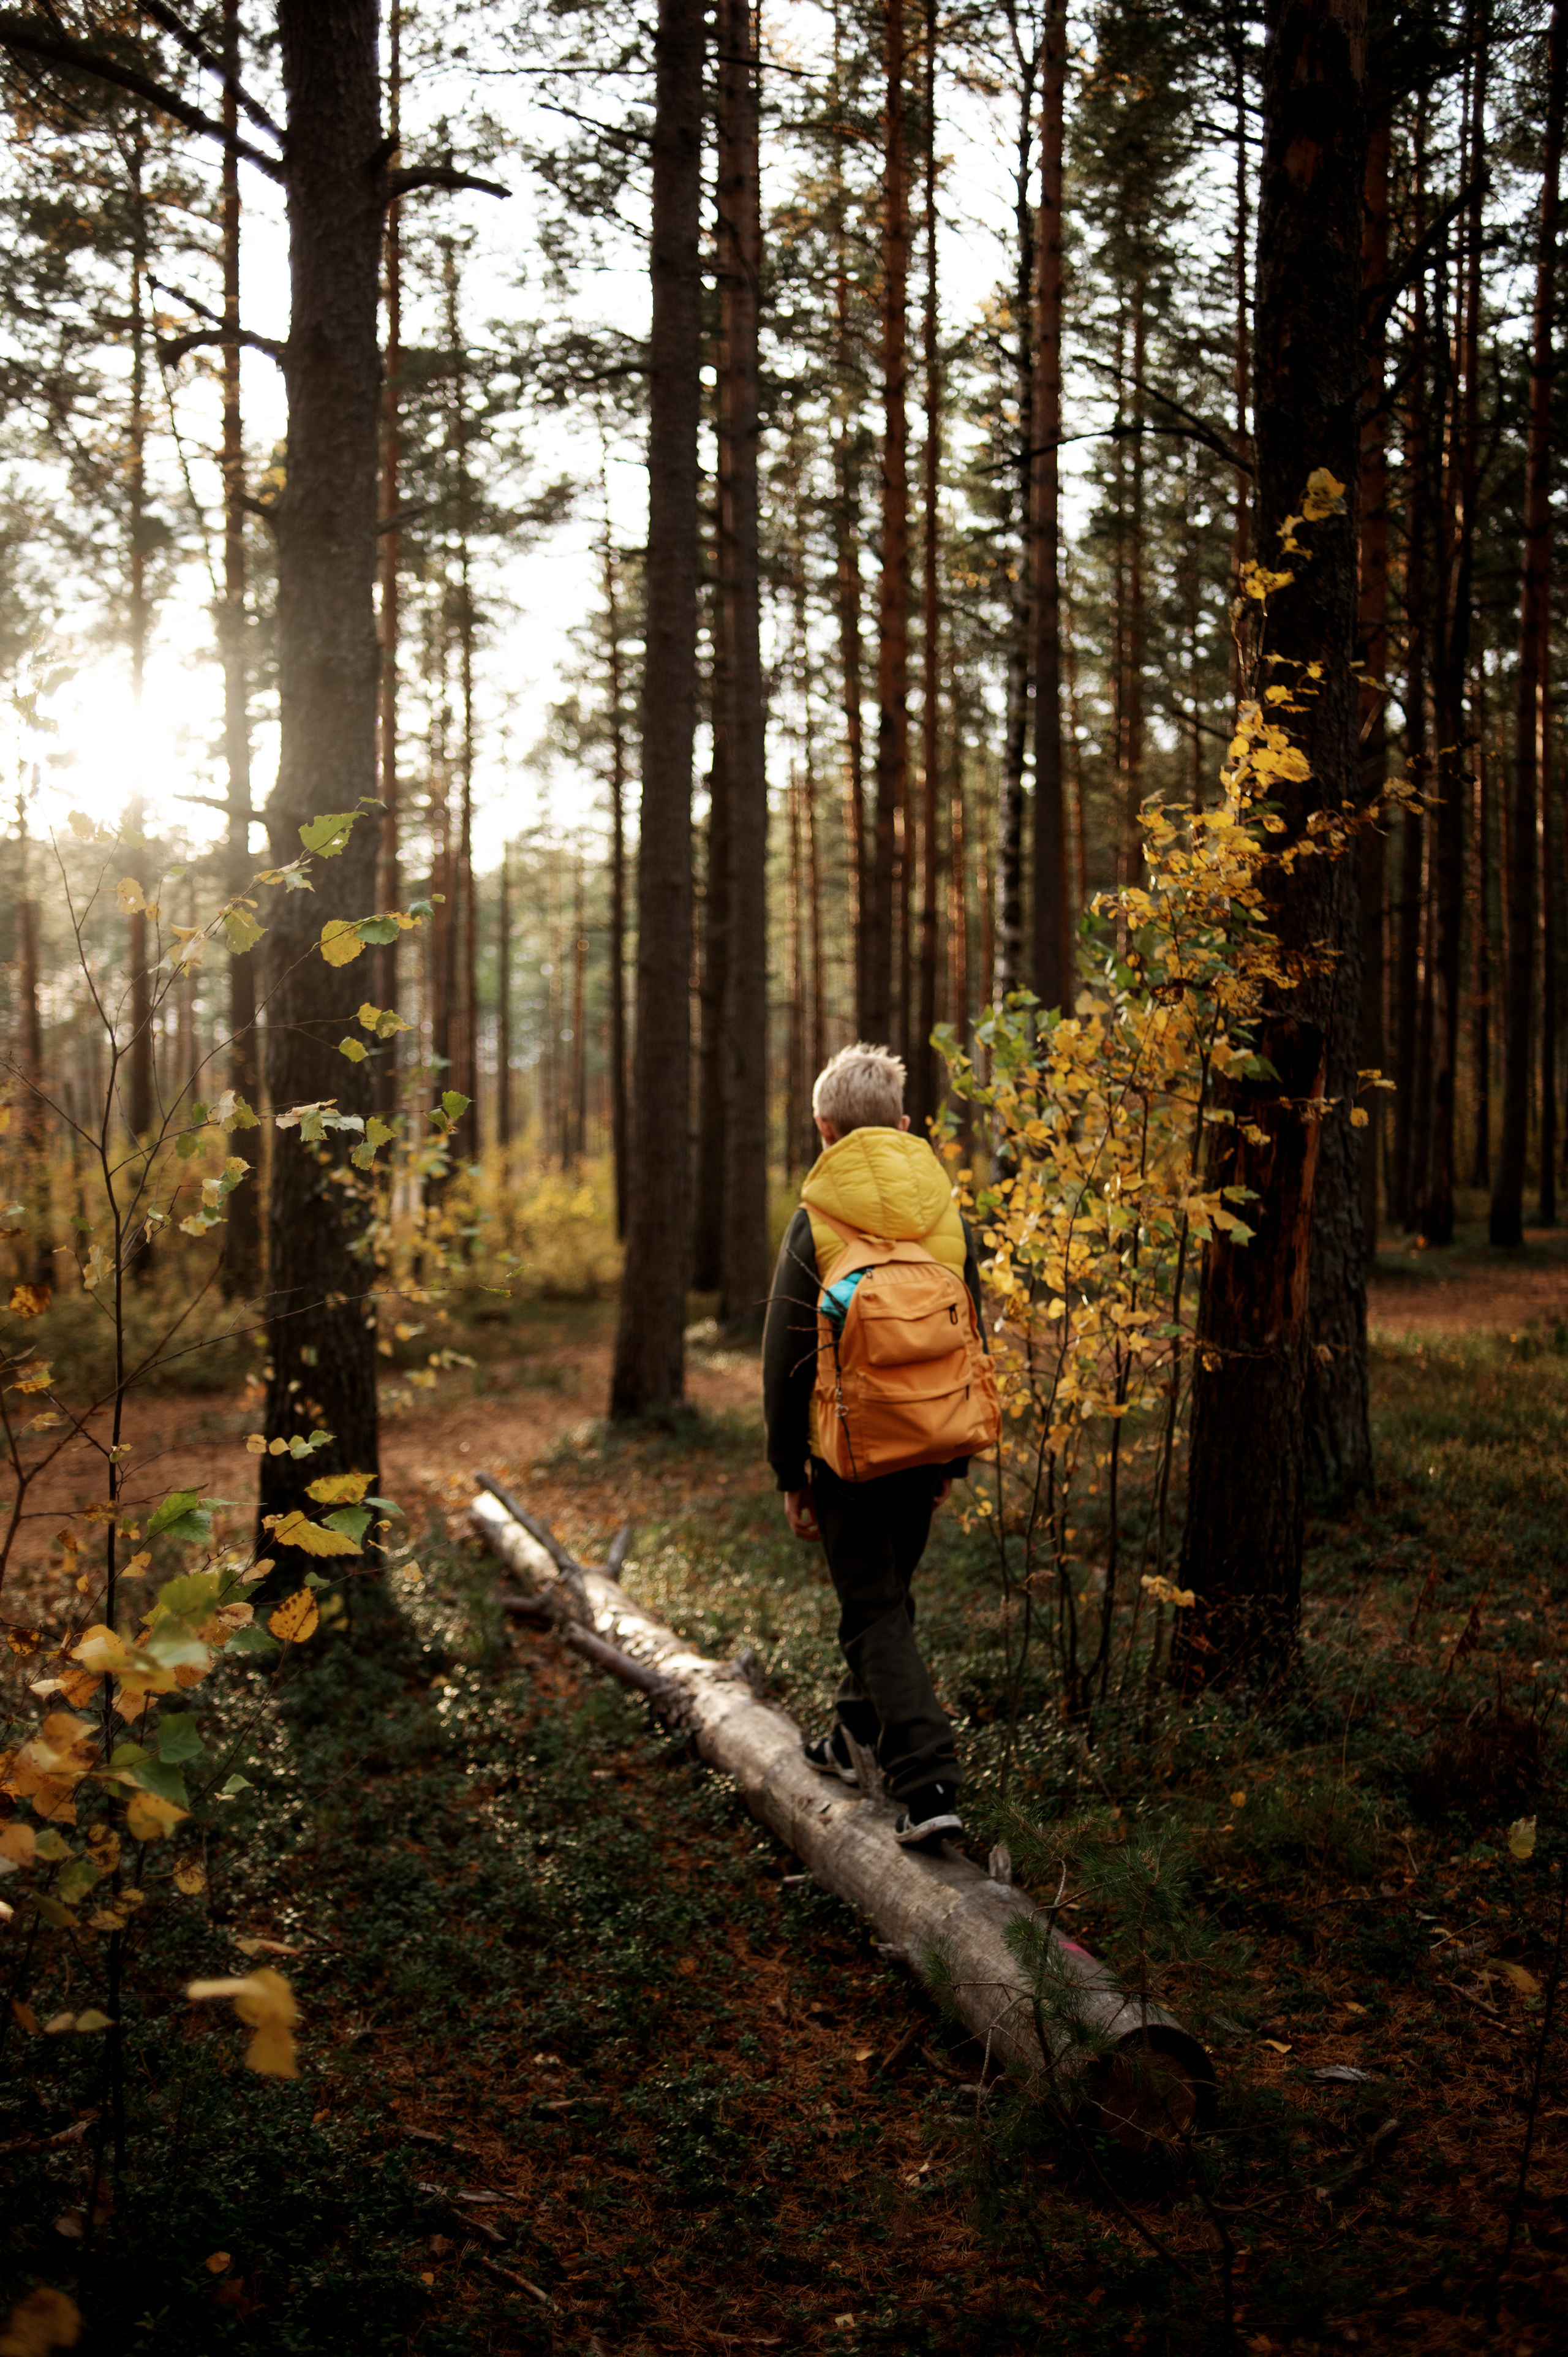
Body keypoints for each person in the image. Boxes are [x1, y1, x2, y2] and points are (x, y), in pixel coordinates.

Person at [761, 1042, 986, 1847]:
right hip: (927, 1440)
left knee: (872, 1610)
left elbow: (785, 1357)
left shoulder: (815, 1221)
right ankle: (852, 1737)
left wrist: (791, 1469)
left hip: (845, 1454)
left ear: (823, 1129)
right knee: (885, 1600)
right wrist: (953, 1455)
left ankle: (927, 1783)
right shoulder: (947, 1216)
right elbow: (970, 1338)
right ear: (901, 1124)